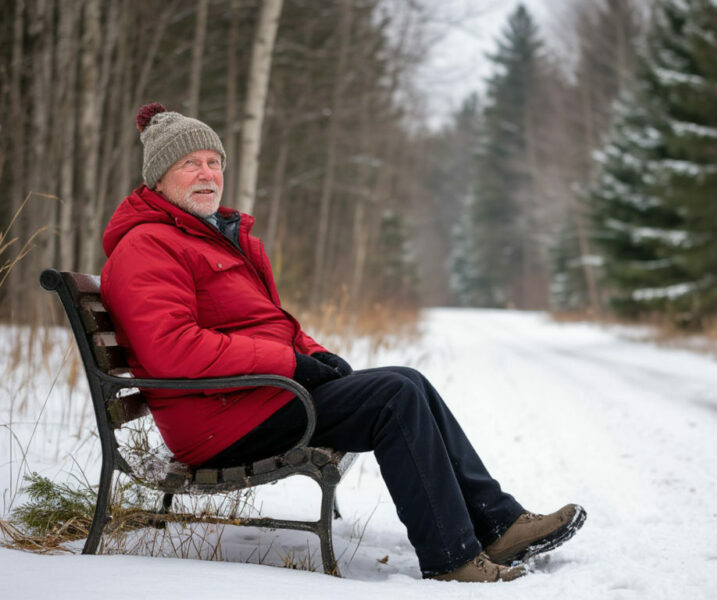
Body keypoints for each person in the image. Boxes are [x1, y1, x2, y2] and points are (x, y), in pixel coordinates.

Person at [100, 103, 585, 583]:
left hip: (252, 396)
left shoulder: (207, 237)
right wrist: (290, 363)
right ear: (158, 178)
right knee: (394, 397)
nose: (207, 174)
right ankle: (451, 557)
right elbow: (175, 349)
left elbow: (268, 322)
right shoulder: (149, 245)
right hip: (220, 419)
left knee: (406, 380)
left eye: (214, 162)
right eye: (191, 164)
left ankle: (498, 522)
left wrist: (313, 355)